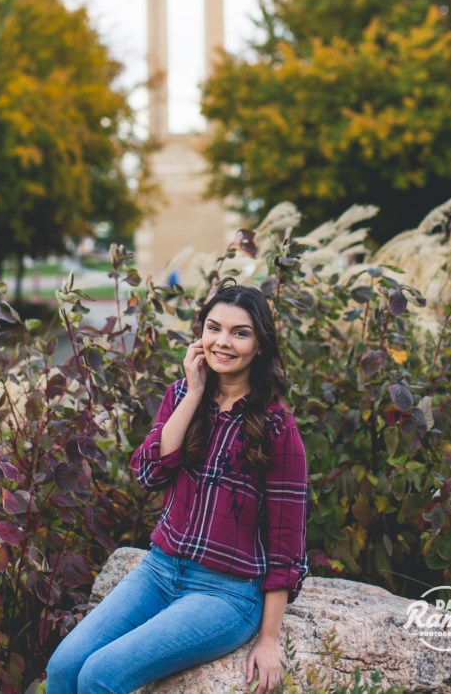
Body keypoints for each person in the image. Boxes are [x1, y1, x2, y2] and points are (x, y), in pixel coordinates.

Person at [45, 278, 309, 694]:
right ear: (200, 333)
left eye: (240, 333)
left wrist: (270, 640)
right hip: (160, 570)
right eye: (213, 328)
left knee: (101, 675)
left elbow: (286, 543)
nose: (223, 342)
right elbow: (150, 473)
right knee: (63, 668)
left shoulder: (277, 426)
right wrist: (193, 394)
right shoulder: (181, 395)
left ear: (260, 346)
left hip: (227, 595)